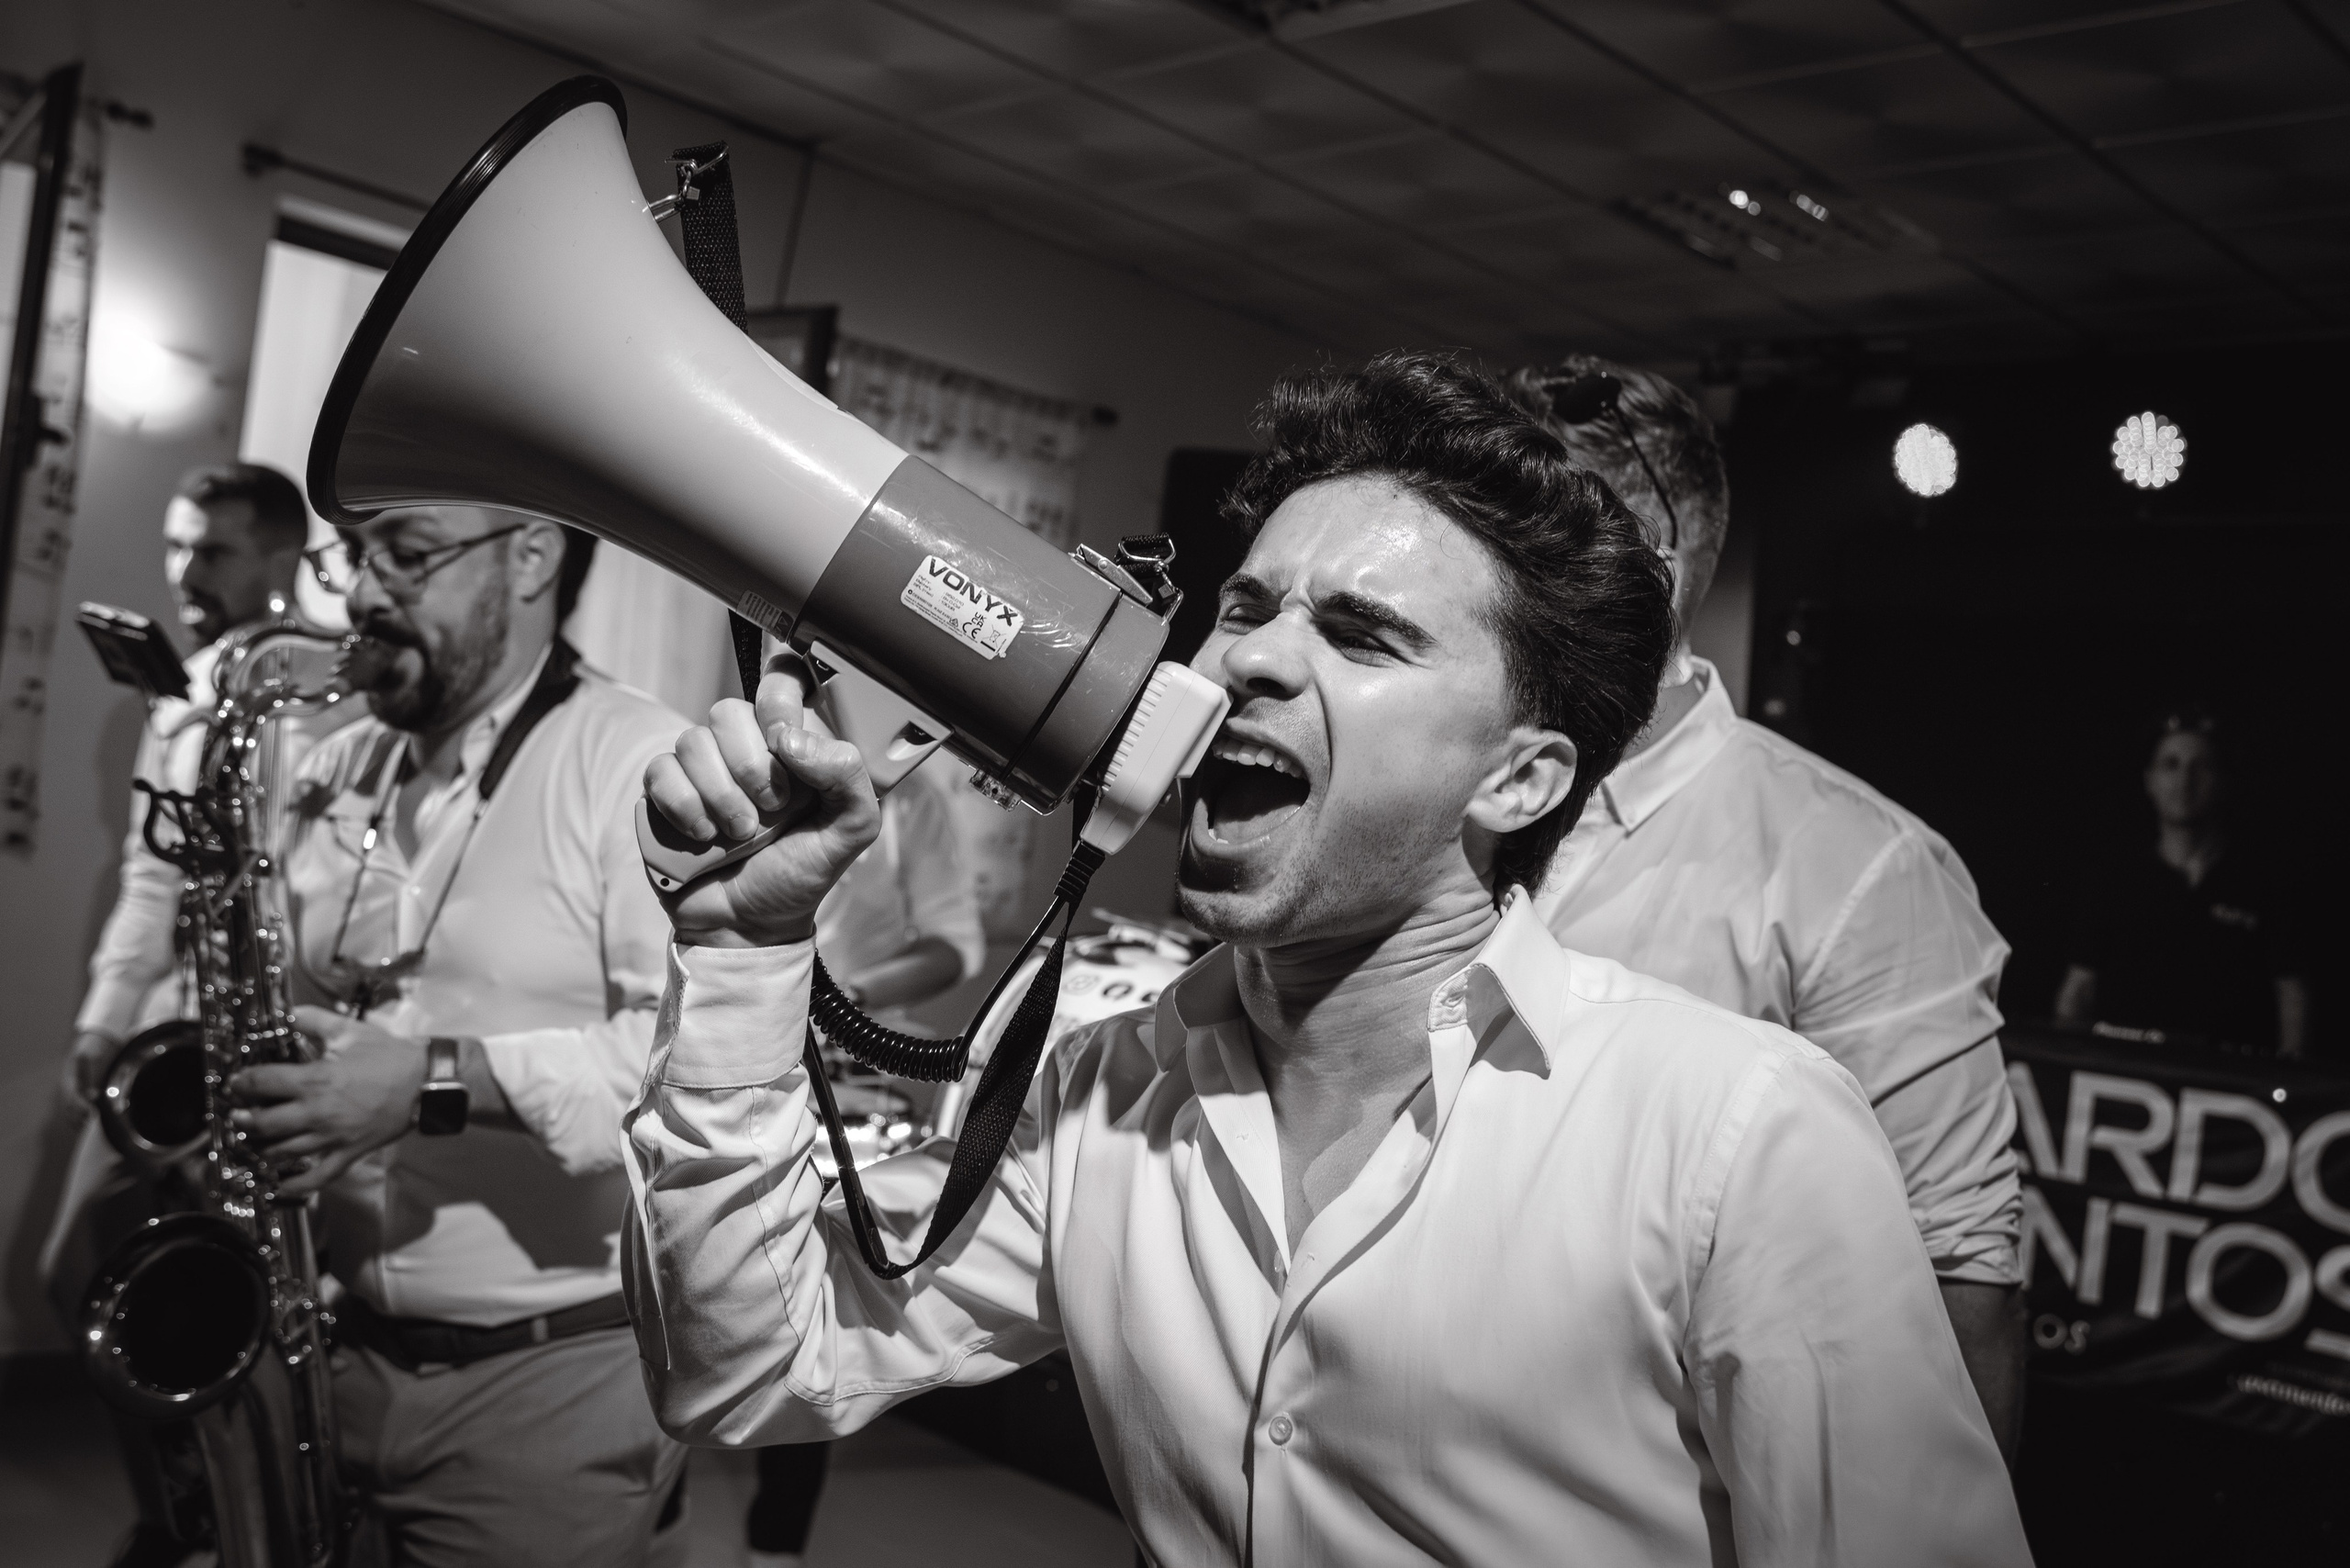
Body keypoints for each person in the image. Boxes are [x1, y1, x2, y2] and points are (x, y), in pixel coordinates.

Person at [621, 353, 2030, 1565]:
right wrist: (748, 958)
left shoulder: (1736, 1135)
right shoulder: (1104, 1098)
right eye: (1246, 609)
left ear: (1521, 781)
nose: (1249, 665)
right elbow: (746, 1371)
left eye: (1360, 633)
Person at [1506, 355, 2029, 1456]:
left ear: (1641, 570)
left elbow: (1956, 1291)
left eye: (1509, 549)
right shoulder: (1437, 792)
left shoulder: (1859, 867)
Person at [221, 504, 689, 1566]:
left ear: (531, 556)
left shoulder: (642, 764)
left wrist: (432, 1083)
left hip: (551, 1380)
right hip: (331, 1338)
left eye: (408, 554)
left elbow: (691, 1070)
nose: (363, 593)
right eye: (356, 555)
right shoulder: (337, 765)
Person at [42, 462, 328, 1568]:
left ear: (277, 559)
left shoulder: (322, 687)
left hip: (255, 1032)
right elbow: (148, 874)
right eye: (175, 546)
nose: (182, 572)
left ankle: (220, 1522)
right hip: (167, 1028)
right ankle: (186, 1510)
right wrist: (101, 1021)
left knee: (230, 1295)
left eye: (210, 550)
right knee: (79, 1270)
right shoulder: (178, 689)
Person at [745, 749, 983, 1568]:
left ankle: (774, 1543)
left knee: (810, 1286)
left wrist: (848, 998)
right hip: (739, 1044)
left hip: (840, 1067)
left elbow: (955, 944)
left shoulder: (915, 800)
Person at [2056, 708, 2309, 1057]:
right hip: (2130, 1072)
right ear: (2149, 780)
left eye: (2201, 766)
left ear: (2223, 779)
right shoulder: (2115, 881)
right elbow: (2079, 988)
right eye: (2171, 765)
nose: (2185, 781)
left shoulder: (2264, 881)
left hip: (2230, 1082)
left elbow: (2290, 991)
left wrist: (2288, 1080)